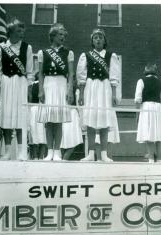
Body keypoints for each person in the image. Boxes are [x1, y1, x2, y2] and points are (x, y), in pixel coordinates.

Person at [77, 28, 120, 162]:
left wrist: (114, 95)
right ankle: (90, 154)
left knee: (104, 120)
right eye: (95, 37)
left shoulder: (111, 56)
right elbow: (82, 77)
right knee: (90, 120)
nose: (98, 39)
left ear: (104, 40)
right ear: (92, 41)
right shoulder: (86, 55)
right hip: (91, 88)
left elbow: (114, 77)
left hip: (105, 88)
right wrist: (82, 94)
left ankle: (103, 154)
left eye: (100, 37)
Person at [0, 18, 34, 160]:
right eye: (18, 30)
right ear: (10, 32)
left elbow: (29, 71)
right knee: (6, 117)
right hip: (6, 83)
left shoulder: (27, 48)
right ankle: (7, 152)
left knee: (20, 117)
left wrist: (29, 90)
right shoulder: (1, 47)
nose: (22, 33)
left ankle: (22, 152)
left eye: (23, 30)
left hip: (21, 84)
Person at [37, 23, 74, 161]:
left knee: (58, 120)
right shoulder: (43, 53)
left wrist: (70, 90)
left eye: (64, 35)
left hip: (61, 84)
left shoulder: (68, 53)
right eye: (60, 35)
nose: (63, 37)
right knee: (49, 120)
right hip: (48, 84)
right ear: (53, 36)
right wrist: (40, 90)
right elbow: (40, 73)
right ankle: (49, 151)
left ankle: (57, 151)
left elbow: (71, 74)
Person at [134, 63, 161, 163]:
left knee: (149, 133)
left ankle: (151, 159)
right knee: (158, 133)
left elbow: (138, 99)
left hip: (146, 107)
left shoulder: (141, 81)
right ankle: (160, 160)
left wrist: (137, 112)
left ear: (146, 71)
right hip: (158, 108)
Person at [28, 72, 47, 160]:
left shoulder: (31, 86)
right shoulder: (42, 85)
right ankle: (39, 157)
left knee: (36, 133)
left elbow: (29, 98)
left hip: (34, 110)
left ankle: (37, 157)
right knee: (41, 133)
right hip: (39, 109)